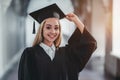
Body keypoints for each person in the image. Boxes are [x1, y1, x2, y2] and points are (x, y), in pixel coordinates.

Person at [18, 3, 97, 80]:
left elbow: (90, 43)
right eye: (48, 27)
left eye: (56, 28)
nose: (53, 31)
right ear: (41, 29)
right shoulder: (29, 54)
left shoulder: (67, 53)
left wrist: (76, 20)